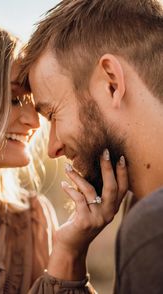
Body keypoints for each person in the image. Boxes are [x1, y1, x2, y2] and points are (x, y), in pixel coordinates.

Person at [0, 21, 128, 294]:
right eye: (13, 99)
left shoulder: (30, 223)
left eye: (33, 105)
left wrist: (69, 252)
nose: (34, 121)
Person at [19, 0, 163, 293]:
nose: (52, 148)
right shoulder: (141, 210)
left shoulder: (153, 229)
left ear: (111, 82)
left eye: (52, 115)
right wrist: (70, 254)